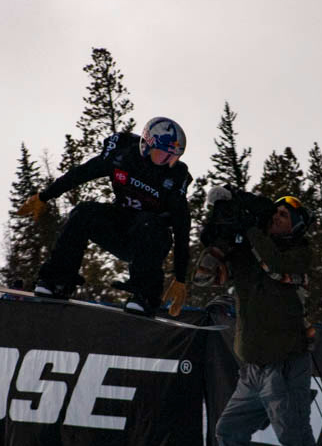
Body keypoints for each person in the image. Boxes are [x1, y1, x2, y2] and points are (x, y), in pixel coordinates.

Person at [197, 188, 322, 446]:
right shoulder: (250, 250)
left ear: (296, 226)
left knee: (295, 440)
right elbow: (206, 276)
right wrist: (216, 238)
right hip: (252, 369)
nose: (275, 217)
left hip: (285, 364)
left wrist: (250, 229)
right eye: (274, 212)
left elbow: (275, 266)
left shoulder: (298, 254)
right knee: (229, 431)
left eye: (284, 216)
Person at [16, 117, 191, 317]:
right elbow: (82, 173)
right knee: (83, 212)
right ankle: (57, 281)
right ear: (146, 146)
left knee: (147, 222)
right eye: (162, 155)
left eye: (172, 158)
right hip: (121, 227)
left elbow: (182, 229)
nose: (167, 162)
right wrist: (44, 196)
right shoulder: (122, 156)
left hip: (151, 238)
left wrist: (180, 278)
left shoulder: (175, 177)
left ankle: (145, 296)